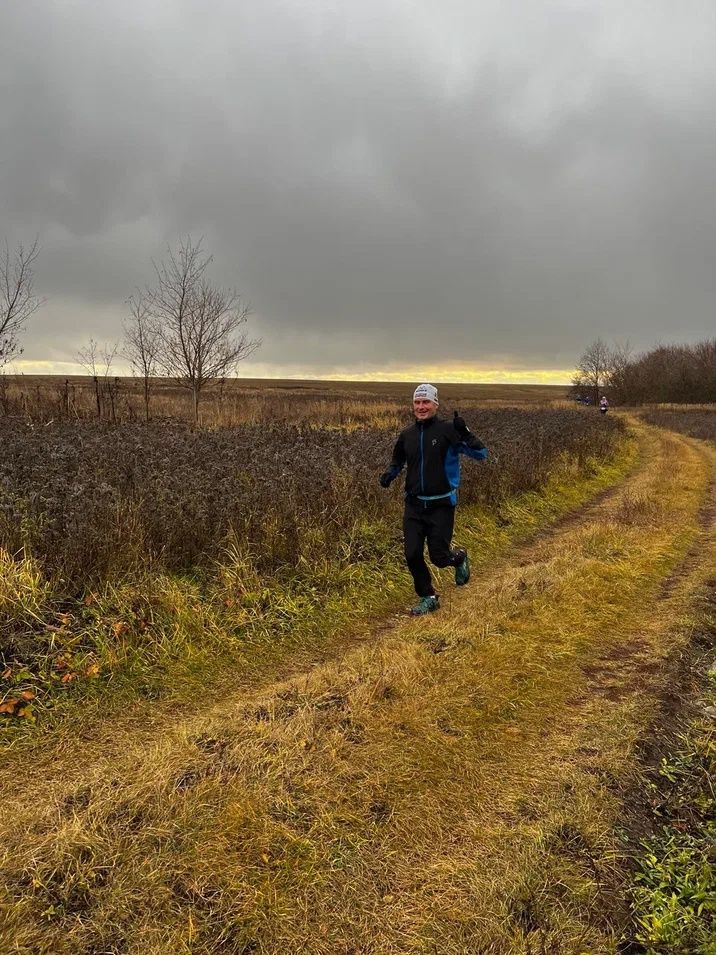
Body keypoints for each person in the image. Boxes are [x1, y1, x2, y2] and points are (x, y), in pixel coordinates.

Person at [379, 383, 488, 615]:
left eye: (426, 402)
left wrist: (466, 432)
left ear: (436, 404)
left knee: (439, 557)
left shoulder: (449, 430)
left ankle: (458, 559)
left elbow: (481, 454)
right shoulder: (406, 434)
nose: (421, 407)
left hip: (441, 504)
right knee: (412, 554)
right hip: (414, 505)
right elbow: (397, 460)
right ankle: (428, 596)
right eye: (417, 403)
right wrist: (390, 473)